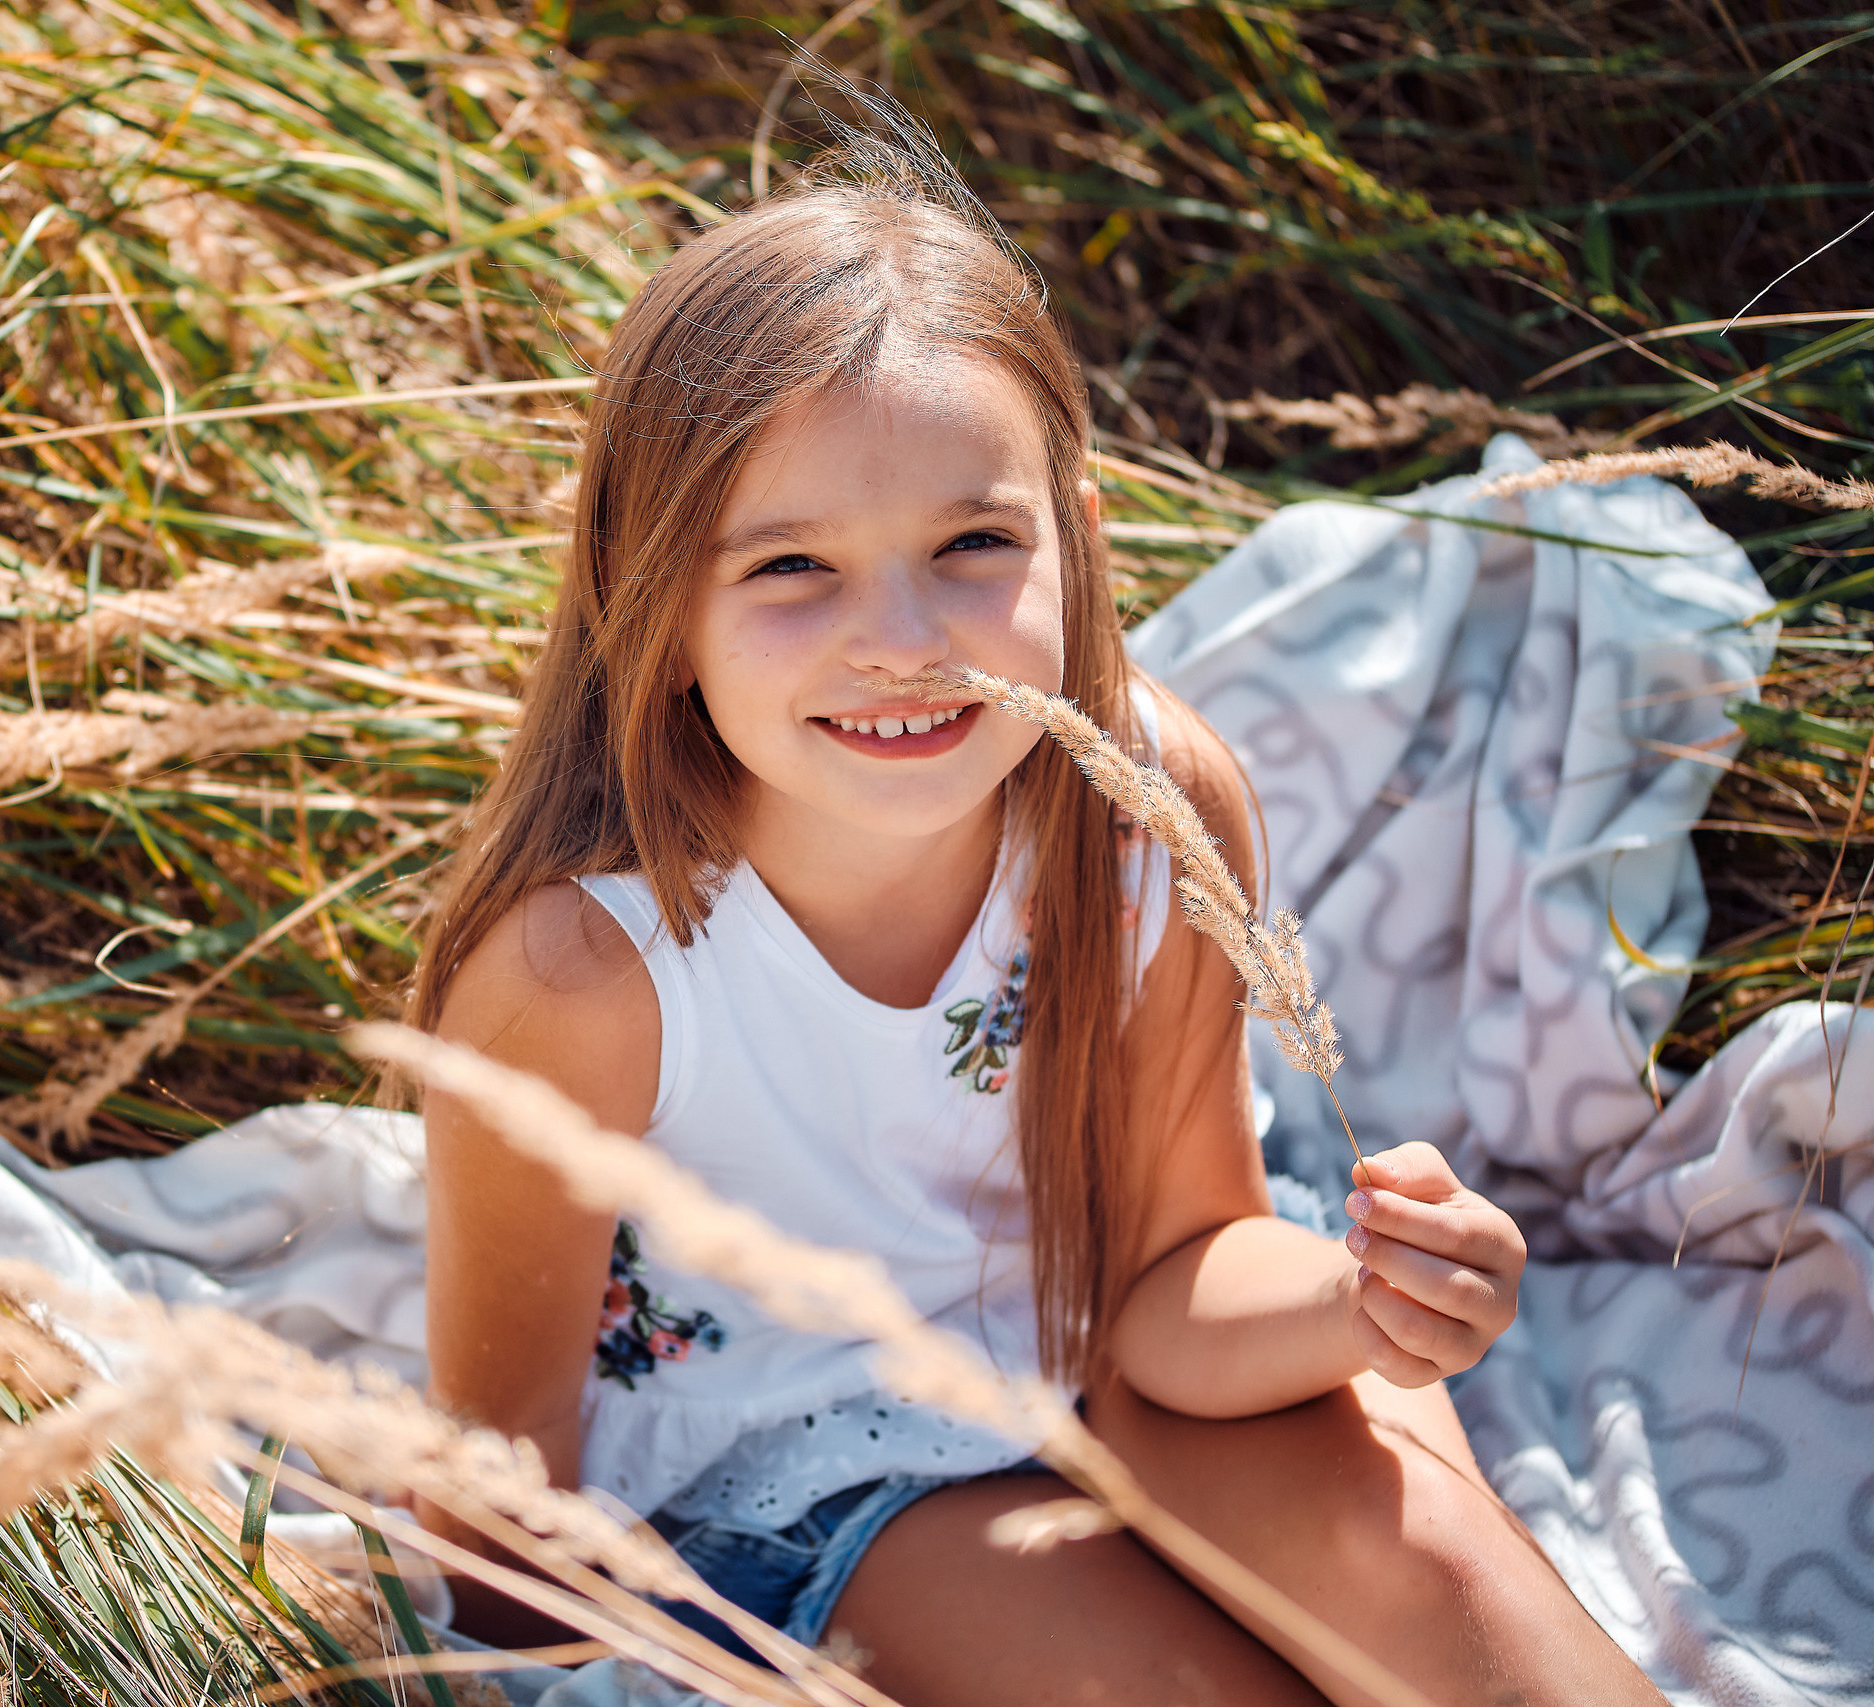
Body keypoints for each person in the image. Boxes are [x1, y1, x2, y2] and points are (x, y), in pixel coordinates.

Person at [405, 124, 1660, 1707]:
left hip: (1128, 1361)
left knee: (1452, 1593)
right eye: (793, 568)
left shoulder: (1145, 811)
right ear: (653, 611)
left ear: (1072, 530)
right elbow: (496, 1486)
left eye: (973, 546)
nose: (905, 643)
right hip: (812, 1458)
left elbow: (1176, 1272)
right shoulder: (587, 978)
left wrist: (1362, 1301)